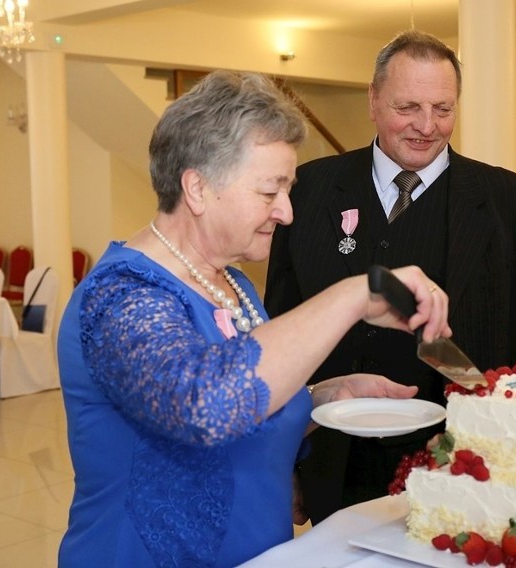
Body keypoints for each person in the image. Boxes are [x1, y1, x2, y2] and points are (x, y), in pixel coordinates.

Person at [56, 70, 452, 567]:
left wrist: (321, 398)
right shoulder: (122, 295)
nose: (286, 212)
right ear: (197, 189)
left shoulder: (234, 285)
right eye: (270, 192)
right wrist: (353, 294)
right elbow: (204, 406)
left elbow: (250, 399)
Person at [265, 30, 516, 524]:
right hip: (333, 461)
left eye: (443, 109)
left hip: (460, 462)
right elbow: (280, 332)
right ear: (374, 101)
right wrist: (285, 459)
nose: (427, 126)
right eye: (408, 107)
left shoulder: (513, 203)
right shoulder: (308, 189)